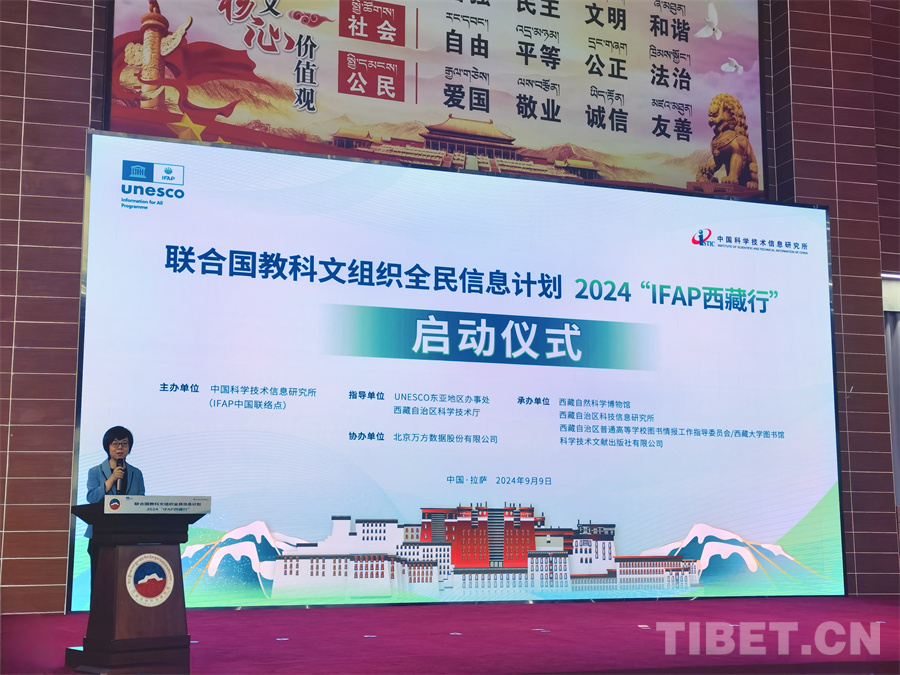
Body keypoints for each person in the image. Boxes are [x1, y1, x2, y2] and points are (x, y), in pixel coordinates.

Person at [85, 426, 146, 589]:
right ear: (107, 446)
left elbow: (141, 501)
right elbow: (92, 498)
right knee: (101, 579)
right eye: (115, 444)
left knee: (127, 578)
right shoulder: (95, 472)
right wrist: (112, 479)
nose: (120, 448)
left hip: (128, 532)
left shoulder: (136, 473)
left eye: (124, 444)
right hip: (101, 533)